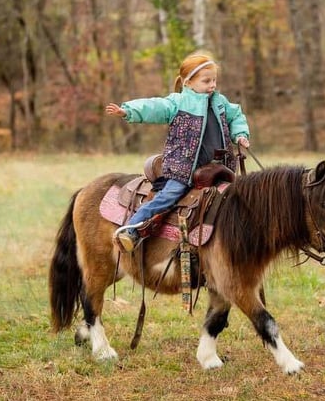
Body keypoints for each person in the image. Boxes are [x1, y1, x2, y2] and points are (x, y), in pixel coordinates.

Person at [105, 51, 250, 252]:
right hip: (185, 169)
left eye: (214, 80)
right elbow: (153, 107)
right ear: (188, 83)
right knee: (168, 196)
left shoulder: (220, 102)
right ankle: (132, 229)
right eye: (206, 81)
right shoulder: (178, 103)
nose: (212, 85)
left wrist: (240, 134)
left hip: (220, 167)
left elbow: (236, 116)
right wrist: (128, 111)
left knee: (243, 195)